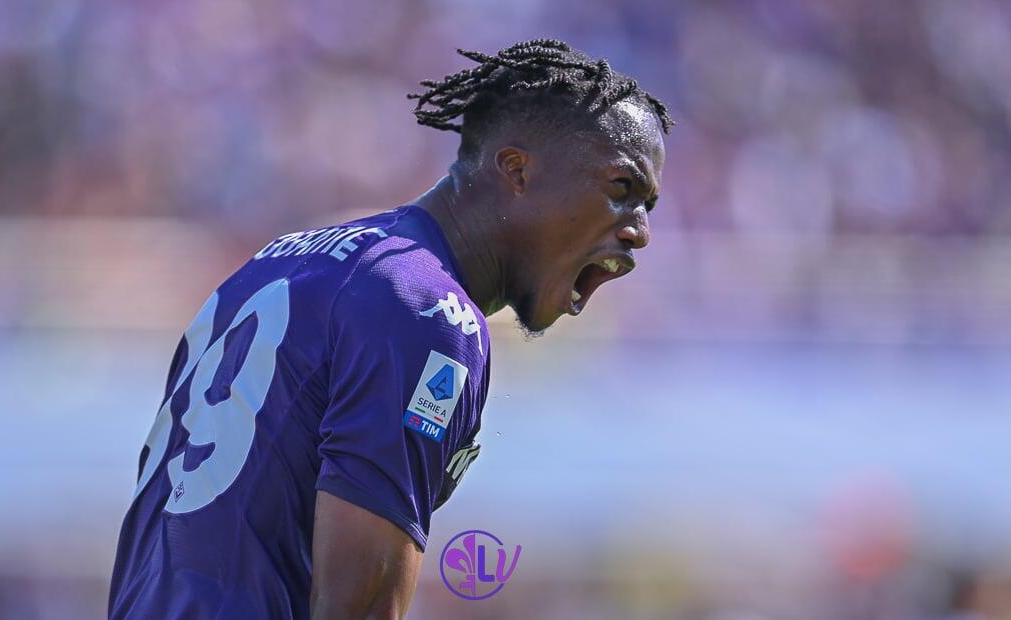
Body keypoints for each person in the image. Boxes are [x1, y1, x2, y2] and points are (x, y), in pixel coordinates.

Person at [108, 38, 671, 619]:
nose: (641, 232)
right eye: (621, 190)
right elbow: (362, 603)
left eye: (649, 204)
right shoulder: (428, 310)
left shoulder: (286, 259)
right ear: (517, 170)